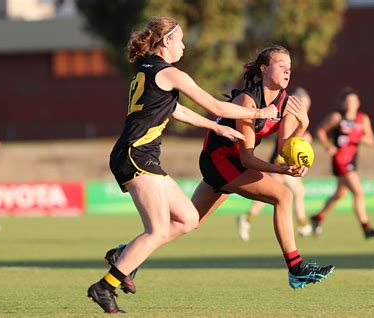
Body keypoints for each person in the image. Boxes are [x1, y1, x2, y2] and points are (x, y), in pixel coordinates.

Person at [86, 16, 282, 314]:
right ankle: (105, 285)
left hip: (140, 155)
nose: (183, 46)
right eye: (179, 40)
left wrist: (216, 128)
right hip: (136, 155)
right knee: (157, 230)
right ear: (165, 42)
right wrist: (263, 112)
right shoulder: (171, 73)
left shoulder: (147, 68)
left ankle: (123, 254)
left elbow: (175, 110)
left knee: (189, 218)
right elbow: (216, 106)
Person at [190, 45, 335, 291]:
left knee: (188, 221)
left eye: (290, 68)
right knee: (283, 195)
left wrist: (303, 125)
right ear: (264, 69)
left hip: (233, 163)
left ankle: (125, 254)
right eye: (281, 66)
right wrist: (281, 172)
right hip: (218, 159)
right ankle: (296, 269)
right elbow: (247, 158)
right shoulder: (247, 100)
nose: (288, 71)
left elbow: (285, 149)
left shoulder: (286, 102)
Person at [237, 87, 313, 241]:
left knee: (294, 193)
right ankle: (247, 218)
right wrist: (303, 128)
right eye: (303, 105)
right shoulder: (291, 117)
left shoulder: (295, 119)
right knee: (280, 195)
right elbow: (286, 148)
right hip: (279, 162)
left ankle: (303, 224)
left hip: (286, 164)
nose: (305, 108)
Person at [310, 87, 374, 239]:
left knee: (339, 194)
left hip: (353, 159)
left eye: (353, 101)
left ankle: (318, 218)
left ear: (358, 103)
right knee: (358, 192)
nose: (350, 104)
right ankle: (366, 227)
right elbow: (320, 130)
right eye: (347, 101)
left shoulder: (363, 119)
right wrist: (328, 146)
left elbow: (371, 140)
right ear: (342, 103)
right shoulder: (337, 117)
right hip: (340, 160)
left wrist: (360, 137)